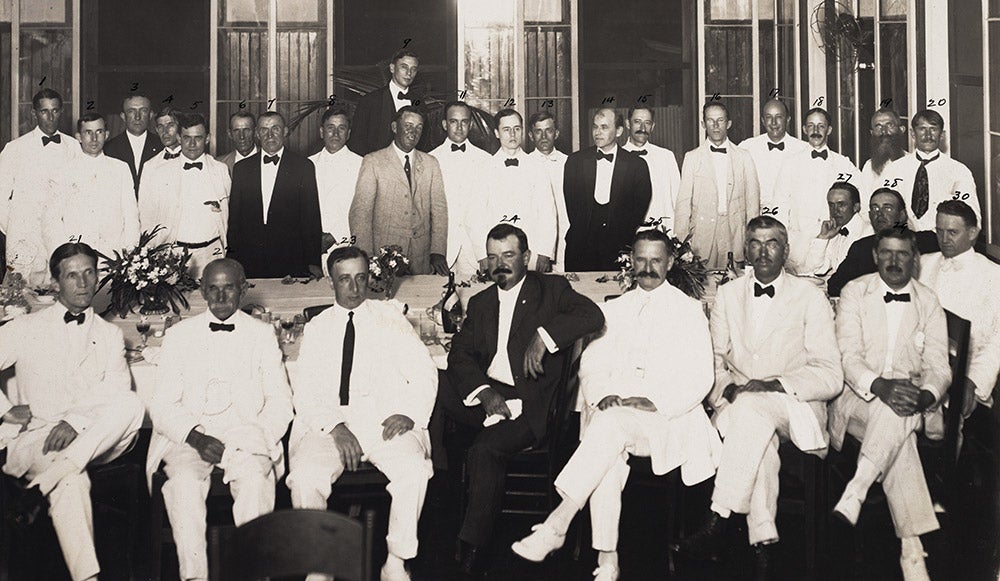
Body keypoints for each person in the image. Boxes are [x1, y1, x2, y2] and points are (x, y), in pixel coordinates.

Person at [510, 227, 720, 580]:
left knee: (605, 431)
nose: (648, 267)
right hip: (620, 418)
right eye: (641, 259)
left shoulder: (688, 311)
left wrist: (656, 402)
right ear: (631, 261)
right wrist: (601, 394)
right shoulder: (615, 308)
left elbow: (701, 377)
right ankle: (606, 560)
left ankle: (561, 525)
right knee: (607, 433)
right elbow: (592, 364)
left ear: (670, 263)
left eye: (656, 260)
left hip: (669, 419)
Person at [673, 216, 842, 580]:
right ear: (746, 248)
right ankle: (763, 541)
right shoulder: (728, 294)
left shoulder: (810, 297)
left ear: (786, 250)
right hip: (739, 404)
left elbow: (830, 374)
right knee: (755, 432)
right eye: (755, 243)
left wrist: (776, 384)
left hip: (795, 405)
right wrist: (727, 388)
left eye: (772, 243)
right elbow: (715, 359)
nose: (763, 251)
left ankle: (719, 517)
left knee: (751, 412)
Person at [439, 224, 604, 575]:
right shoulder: (482, 301)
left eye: (509, 255)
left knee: (484, 450)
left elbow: (593, 315)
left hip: (530, 405)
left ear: (526, 257)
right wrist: (484, 393)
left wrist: (544, 337)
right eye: (493, 257)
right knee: (433, 382)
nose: (500, 264)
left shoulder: (551, 289)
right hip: (490, 394)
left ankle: (472, 548)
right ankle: (440, 489)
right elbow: (460, 356)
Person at [287, 246, 438, 581]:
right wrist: (337, 428)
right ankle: (319, 566)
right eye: (345, 280)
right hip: (330, 425)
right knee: (306, 476)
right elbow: (306, 391)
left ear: (369, 278)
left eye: (360, 278)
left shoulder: (391, 318)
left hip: (383, 422)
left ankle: (396, 562)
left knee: (413, 471)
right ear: (331, 282)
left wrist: (409, 413)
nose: (354, 288)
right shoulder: (317, 328)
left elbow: (425, 371)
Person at [0, 242, 144, 581]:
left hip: (92, 439)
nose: (82, 283)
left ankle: (37, 489)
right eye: (71, 276)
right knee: (72, 481)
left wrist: (74, 422)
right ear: (55, 282)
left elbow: (116, 392)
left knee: (133, 403)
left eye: (89, 273)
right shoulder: (25, 327)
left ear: (98, 277)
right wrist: (4, 411)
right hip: (39, 440)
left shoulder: (109, 335)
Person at [147, 258, 293, 581]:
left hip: (247, 435)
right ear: (202, 291)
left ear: (243, 289)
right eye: (213, 288)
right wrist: (195, 437)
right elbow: (162, 404)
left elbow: (281, 402)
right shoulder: (179, 335)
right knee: (183, 485)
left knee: (256, 482)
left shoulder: (262, 334)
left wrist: (255, 435)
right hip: (190, 437)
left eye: (229, 288)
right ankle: (194, 577)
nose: (221, 296)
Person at [831, 226, 950, 581]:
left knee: (896, 416)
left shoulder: (928, 300)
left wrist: (926, 395)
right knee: (896, 420)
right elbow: (848, 357)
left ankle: (858, 488)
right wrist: (881, 386)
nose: (894, 261)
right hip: (857, 400)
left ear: (914, 259)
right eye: (886, 253)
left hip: (912, 402)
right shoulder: (855, 292)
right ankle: (912, 549)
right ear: (874, 256)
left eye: (902, 254)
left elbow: (939, 365)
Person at [920, 200, 1000, 414]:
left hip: (964, 378)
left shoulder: (994, 276)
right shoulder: (923, 264)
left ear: (973, 232)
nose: (944, 240)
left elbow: (997, 342)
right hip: (918, 370)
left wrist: (973, 381)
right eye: (939, 231)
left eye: (952, 232)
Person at [350, 105, 449, 275]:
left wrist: (437, 251)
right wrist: (366, 258)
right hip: (383, 258)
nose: (414, 132)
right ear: (395, 127)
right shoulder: (373, 161)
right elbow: (360, 214)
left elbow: (439, 211)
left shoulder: (431, 163)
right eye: (408, 125)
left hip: (421, 259)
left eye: (419, 127)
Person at [0, 89, 81, 287]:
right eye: (44, 111)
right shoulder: (15, 148)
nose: (50, 116)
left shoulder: (74, 147)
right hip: (25, 237)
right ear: (34, 113)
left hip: (59, 236)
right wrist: (15, 231)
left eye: (55, 110)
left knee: (59, 292)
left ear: (61, 112)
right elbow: (1, 197)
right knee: (19, 299)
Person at [227, 111, 323, 278]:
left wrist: (313, 261)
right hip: (250, 260)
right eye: (264, 129)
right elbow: (234, 220)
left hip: (291, 259)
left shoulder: (303, 166)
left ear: (285, 131)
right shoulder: (242, 169)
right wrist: (232, 259)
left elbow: (311, 218)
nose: (270, 135)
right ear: (257, 133)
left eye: (275, 129)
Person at [139, 113, 231, 278]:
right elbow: (147, 217)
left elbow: (226, 212)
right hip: (175, 252)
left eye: (198, 138)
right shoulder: (160, 173)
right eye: (187, 137)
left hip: (213, 252)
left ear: (208, 138)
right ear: (179, 138)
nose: (192, 144)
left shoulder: (220, 170)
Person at [563, 108, 652, 271]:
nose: (597, 132)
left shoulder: (637, 165)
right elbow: (572, 206)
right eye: (595, 127)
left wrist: (622, 238)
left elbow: (639, 209)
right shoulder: (575, 162)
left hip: (619, 249)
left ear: (618, 131)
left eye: (604, 127)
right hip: (581, 248)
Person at [772, 107, 861, 270]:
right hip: (797, 246)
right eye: (811, 126)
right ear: (804, 129)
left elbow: (857, 203)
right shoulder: (790, 164)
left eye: (821, 126)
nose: (815, 130)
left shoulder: (843, 164)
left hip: (831, 244)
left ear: (829, 130)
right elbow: (779, 205)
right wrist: (781, 243)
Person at [43, 113, 139, 261]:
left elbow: (131, 216)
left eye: (99, 132)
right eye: (88, 132)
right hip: (76, 258)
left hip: (113, 259)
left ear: (106, 135)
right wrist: (65, 256)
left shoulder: (120, 169)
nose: (94, 139)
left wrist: (129, 255)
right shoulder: (64, 171)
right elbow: (51, 220)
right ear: (78, 137)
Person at [675, 102, 760, 269]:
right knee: (703, 287)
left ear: (728, 123)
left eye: (720, 120)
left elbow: (752, 202)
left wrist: (753, 240)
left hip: (735, 235)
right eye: (710, 120)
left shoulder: (744, 157)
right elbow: (683, 204)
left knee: (735, 286)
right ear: (703, 124)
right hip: (702, 236)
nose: (715, 125)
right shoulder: (692, 158)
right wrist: (681, 244)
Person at [474, 109, 557, 273]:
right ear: (497, 133)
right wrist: (482, 255)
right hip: (497, 251)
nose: (512, 134)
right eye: (506, 129)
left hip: (531, 252)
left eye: (517, 128)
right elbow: (475, 215)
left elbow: (548, 212)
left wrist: (545, 253)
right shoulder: (484, 169)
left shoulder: (537, 167)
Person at [881, 109, 980, 232]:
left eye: (933, 129)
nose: (928, 136)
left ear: (942, 135)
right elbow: (883, 209)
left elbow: (972, 218)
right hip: (903, 240)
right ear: (912, 134)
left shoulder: (959, 171)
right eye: (922, 129)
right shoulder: (895, 169)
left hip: (941, 242)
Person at [827, 188, 939, 297]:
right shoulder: (862, 247)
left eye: (888, 208)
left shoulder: (927, 241)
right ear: (870, 216)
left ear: (902, 215)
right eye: (875, 208)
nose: (880, 214)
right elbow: (834, 286)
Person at [430, 101, 492, 278]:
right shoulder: (431, 159)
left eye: (464, 122)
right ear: (444, 124)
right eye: (453, 121)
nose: (459, 127)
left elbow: (488, 210)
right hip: (441, 252)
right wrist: (434, 251)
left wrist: (484, 252)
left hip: (475, 252)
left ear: (470, 124)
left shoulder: (486, 160)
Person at [308, 108, 363, 267]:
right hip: (312, 248)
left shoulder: (362, 164)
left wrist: (335, 235)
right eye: (330, 128)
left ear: (349, 133)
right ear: (321, 131)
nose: (335, 134)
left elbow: (362, 210)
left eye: (342, 128)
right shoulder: (308, 164)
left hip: (346, 245)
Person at [737, 98, 808, 215]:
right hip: (758, 217)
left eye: (779, 117)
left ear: (788, 120)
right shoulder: (747, 148)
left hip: (792, 217)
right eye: (769, 117)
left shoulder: (803, 149)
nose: (774, 123)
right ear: (763, 121)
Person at [349, 49, 425, 156]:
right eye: (404, 67)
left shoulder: (419, 102)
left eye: (413, 69)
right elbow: (356, 141)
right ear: (392, 68)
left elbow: (424, 141)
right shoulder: (370, 101)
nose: (409, 73)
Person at [621, 106, 682, 233]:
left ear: (653, 126)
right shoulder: (617, 158)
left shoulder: (666, 156)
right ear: (628, 124)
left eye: (647, 123)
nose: (642, 128)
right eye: (637, 122)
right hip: (629, 235)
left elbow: (678, 199)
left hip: (662, 232)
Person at [525, 111, 570, 270]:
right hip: (535, 242)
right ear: (531, 135)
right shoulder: (524, 165)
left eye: (548, 130)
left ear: (556, 133)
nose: (544, 136)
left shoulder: (569, 163)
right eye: (538, 131)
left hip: (565, 239)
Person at [797, 182, 872, 276]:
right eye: (831, 205)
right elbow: (812, 269)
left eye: (841, 204)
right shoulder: (835, 231)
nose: (835, 211)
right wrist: (823, 237)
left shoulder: (868, 233)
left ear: (856, 207)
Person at [104, 94, 164, 193]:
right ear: (123, 116)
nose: (137, 117)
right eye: (131, 111)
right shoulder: (108, 149)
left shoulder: (162, 146)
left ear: (150, 115)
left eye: (143, 111)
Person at [859, 108, 908, 219]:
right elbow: (864, 208)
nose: (884, 131)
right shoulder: (868, 166)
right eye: (878, 126)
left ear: (901, 129)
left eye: (889, 125)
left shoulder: (913, 164)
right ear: (872, 133)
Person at [140, 107, 183, 175]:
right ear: (157, 130)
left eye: (170, 125)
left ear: (181, 127)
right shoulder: (150, 165)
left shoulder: (196, 160)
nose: (165, 131)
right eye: (160, 127)